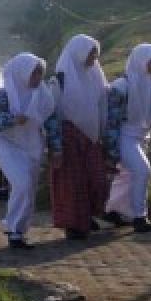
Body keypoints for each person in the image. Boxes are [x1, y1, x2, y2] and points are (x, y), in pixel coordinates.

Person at [0, 53, 62, 249]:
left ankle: (18, 232)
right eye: (33, 74)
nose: (37, 79)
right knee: (23, 182)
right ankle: (13, 226)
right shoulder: (2, 96)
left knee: (28, 189)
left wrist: (56, 150)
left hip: (33, 146)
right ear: (21, 74)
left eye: (39, 74)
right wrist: (12, 119)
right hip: (6, 144)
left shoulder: (44, 96)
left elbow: (52, 123)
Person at [102, 44, 151, 234]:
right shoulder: (121, 87)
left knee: (127, 176)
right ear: (141, 61)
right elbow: (113, 121)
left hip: (142, 135)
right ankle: (139, 216)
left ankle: (113, 210)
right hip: (125, 134)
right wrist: (111, 149)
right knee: (142, 170)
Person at [50, 34, 111, 240]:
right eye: (90, 54)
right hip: (69, 137)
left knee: (97, 181)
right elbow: (54, 113)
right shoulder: (61, 79)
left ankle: (88, 216)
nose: (93, 59)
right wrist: (55, 146)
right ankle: (74, 225)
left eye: (95, 55)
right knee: (74, 185)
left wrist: (102, 133)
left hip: (92, 137)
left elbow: (102, 104)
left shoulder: (96, 76)